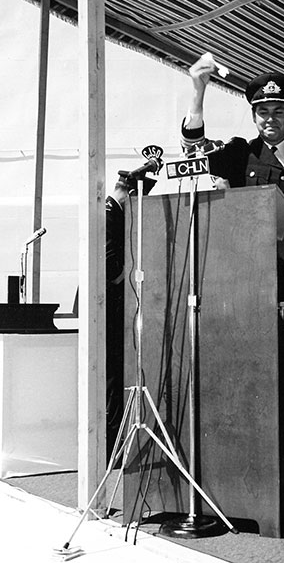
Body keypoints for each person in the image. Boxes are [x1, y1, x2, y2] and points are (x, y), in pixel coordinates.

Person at [181, 55, 284, 261]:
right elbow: (194, 152)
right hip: (250, 265)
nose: (271, 119)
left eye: (278, 112)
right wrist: (198, 92)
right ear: (253, 117)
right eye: (263, 112)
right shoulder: (240, 154)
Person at [105, 172, 156, 460]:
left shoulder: (115, 213)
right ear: (128, 194)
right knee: (113, 380)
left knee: (116, 378)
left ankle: (115, 443)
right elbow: (113, 271)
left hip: (117, 309)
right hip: (111, 310)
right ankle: (114, 446)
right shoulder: (110, 214)